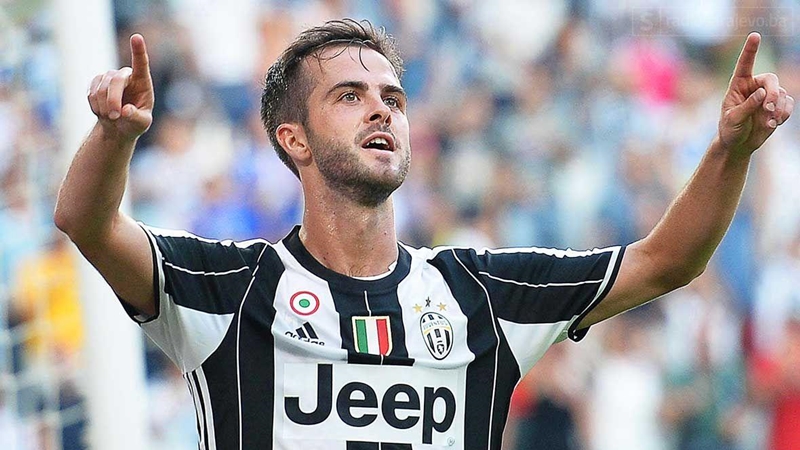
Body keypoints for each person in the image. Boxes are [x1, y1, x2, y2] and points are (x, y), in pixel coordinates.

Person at [53, 19, 792, 450]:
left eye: (394, 98)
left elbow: (667, 260)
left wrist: (730, 149)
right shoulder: (230, 288)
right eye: (350, 96)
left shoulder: (481, 294)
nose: (382, 110)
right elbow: (87, 222)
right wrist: (116, 136)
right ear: (294, 139)